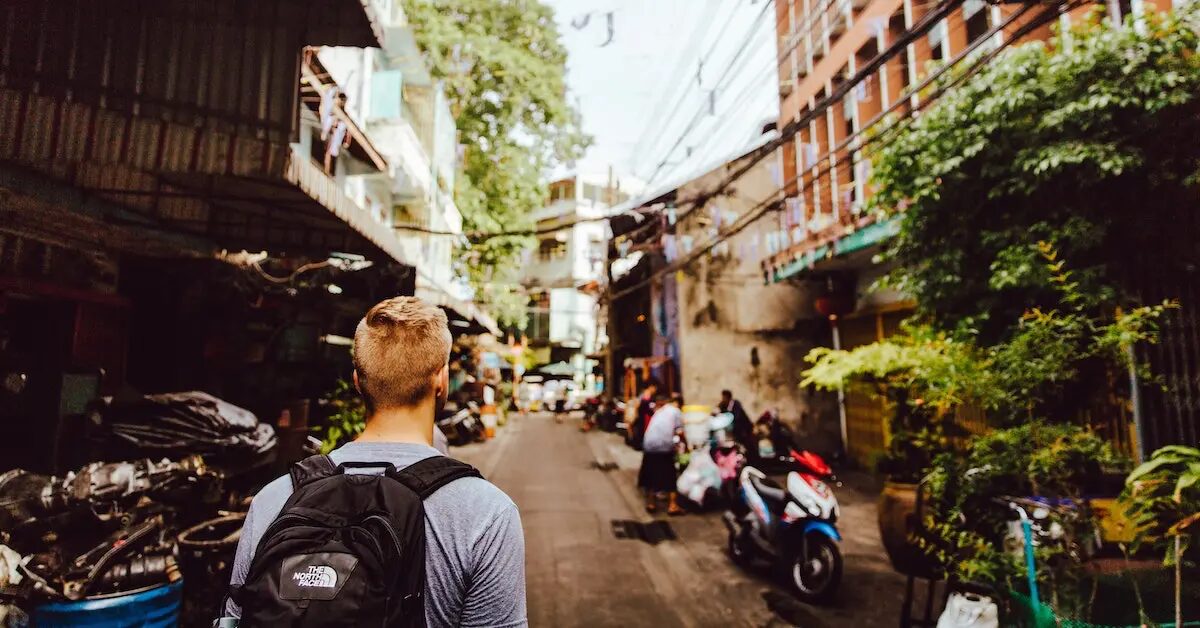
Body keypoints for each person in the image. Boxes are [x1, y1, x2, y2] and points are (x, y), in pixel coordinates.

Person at [225, 297, 527, 627]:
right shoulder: (486, 514)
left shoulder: (274, 498)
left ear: (357, 381)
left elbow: (234, 618)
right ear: (440, 381)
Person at [638, 392, 685, 515]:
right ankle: (673, 505)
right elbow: (680, 433)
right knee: (670, 475)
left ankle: (651, 503)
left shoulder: (659, 411)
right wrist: (686, 445)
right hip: (663, 446)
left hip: (648, 444)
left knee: (651, 474)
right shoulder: (676, 411)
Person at [718, 389, 754, 454]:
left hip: (743, 429)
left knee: (746, 445)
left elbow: (736, 417)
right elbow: (718, 411)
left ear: (728, 397)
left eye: (724, 398)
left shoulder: (736, 404)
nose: (723, 399)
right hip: (735, 431)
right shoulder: (723, 404)